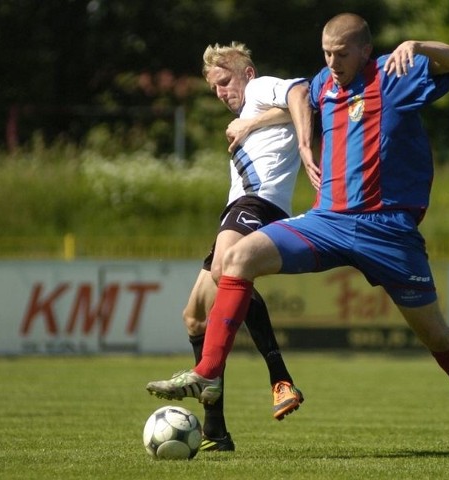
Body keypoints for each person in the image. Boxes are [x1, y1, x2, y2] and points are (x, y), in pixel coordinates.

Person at [147, 14, 449, 457]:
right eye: (326, 52)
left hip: (389, 233)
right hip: (330, 220)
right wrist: (254, 125)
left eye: (341, 53)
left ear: (365, 50)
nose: (332, 61)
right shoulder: (325, 83)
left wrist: (419, 45)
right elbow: (296, 102)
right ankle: (209, 371)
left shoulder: (394, 73)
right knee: (237, 258)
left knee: (437, 337)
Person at [147, 41, 306, 452]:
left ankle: (280, 378)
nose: (221, 92)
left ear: (247, 72)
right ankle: (216, 432)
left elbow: (305, 95)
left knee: (228, 272)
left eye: (225, 80)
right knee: (194, 317)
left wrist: (251, 124)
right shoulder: (248, 109)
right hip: (236, 210)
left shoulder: (260, 88)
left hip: (260, 204)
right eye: (214, 87)